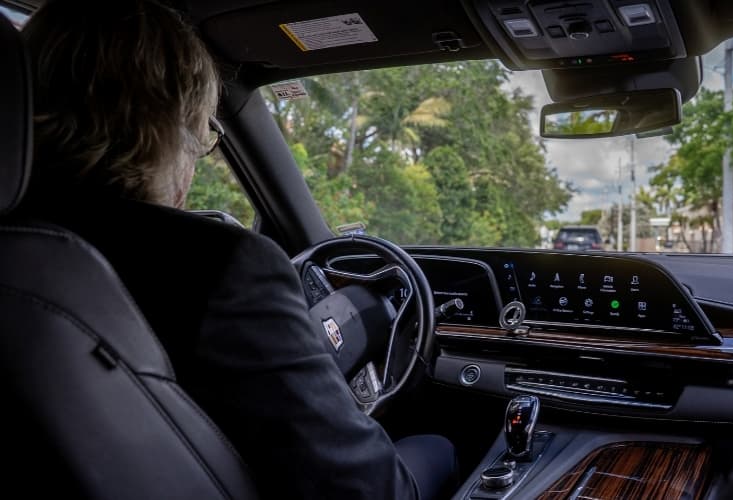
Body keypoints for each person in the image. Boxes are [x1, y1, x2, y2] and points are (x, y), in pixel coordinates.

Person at [20, 1, 458, 498]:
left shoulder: (21, 249)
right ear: (166, 127)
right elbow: (372, 489)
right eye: (204, 133)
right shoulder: (220, 266)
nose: (195, 164)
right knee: (440, 446)